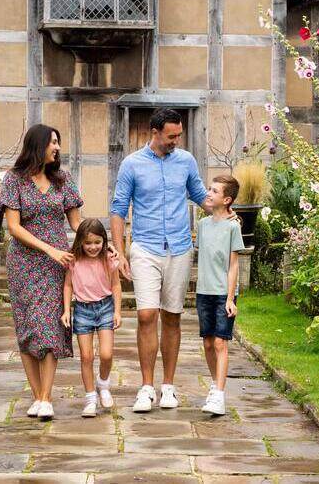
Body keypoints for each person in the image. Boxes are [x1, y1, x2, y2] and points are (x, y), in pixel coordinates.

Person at [110, 108, 219, 413]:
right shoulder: (131, 164)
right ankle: (146, 387)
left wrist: (224, 210)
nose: (176, 141)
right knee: (146, 315)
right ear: (154, 132)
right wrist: (118, 252)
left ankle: (168, 386)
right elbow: (118, 209)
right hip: (145, 247)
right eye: (171, 136)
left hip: (180, 248)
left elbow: (200, 196)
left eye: (179, 136)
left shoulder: (185, 161)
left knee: (172, 315)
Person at [0, 124, 83, 420]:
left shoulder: (63, 181)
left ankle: (46, 397)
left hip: (57, 265)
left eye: (58, 142)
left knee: (50, 325)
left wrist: (99, 243)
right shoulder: (14, 180)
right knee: (26, 327)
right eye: (53, 143)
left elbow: (76, 224)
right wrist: (48, 249)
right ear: (38, 145)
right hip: (23, 263)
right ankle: (36, 396)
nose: (57, 148)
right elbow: (14, 227)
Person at [195, 175, 246, 416]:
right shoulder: (203, 226)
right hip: (203, 292)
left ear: (226, 199)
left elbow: (233, 265)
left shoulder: (233, 227)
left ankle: (219, 394)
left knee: (220, 342)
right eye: (209, 188)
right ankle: (215, 386)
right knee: (207, 342)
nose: (208, 193)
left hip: (223, 294)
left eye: (214, 191)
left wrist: (229, 298)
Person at [61, 218, 122, 418]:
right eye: (88, 243)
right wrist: (67, 310)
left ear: (104, 241)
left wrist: (117, 311)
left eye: (97, 242)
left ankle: (103, 384)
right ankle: (89, 398)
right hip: (82, 310)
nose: (93, 247)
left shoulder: (109, 259)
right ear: (80, 242)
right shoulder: (74, 261)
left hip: (105, 308)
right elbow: (68, 285)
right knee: (86, 356)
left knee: (106, 354)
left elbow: (115, 286)